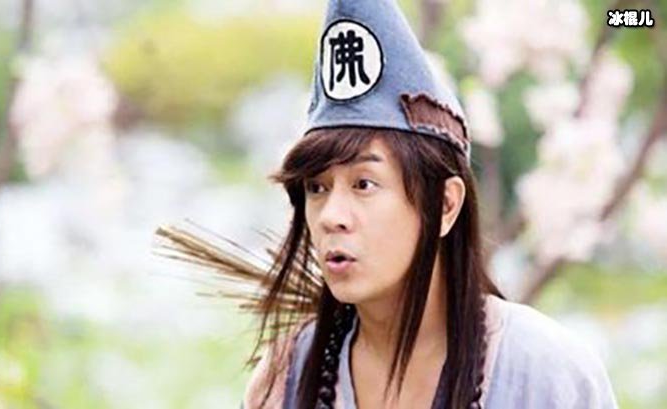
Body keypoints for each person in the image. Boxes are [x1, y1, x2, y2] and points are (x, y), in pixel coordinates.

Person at [234, 0, 620, 408]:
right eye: (317, 188)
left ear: (445, 204)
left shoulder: (546, 373)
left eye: (363, 184)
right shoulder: (286, 379)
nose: (331, 217)